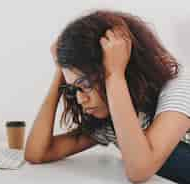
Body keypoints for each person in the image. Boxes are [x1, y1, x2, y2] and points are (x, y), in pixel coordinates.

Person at [24, 10, 190, 183]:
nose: (80, 99)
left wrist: (115, 74)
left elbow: (139, 170)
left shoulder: (180, 87)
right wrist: (62, 69)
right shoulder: (111, 120)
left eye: (86, 85)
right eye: (75, 89)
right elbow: (37, 153)